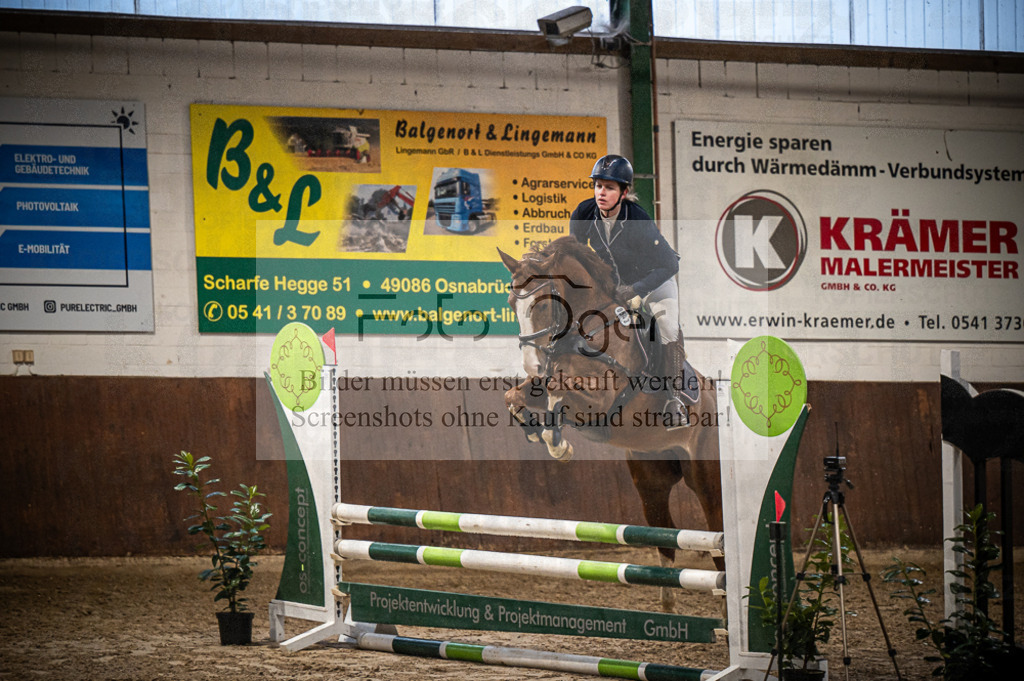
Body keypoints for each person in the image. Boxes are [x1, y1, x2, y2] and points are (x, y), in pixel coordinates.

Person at [569, 154, 690, 425]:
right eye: (598, 185)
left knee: (667, 325)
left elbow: (669, 264)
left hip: (654, 281)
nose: (602, 192)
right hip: (615, 286)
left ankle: (674, 398)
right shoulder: (583, 213)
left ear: (624, 192)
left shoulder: (638, 220)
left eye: (610, 187)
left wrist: (637, 290)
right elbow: (575, 255)